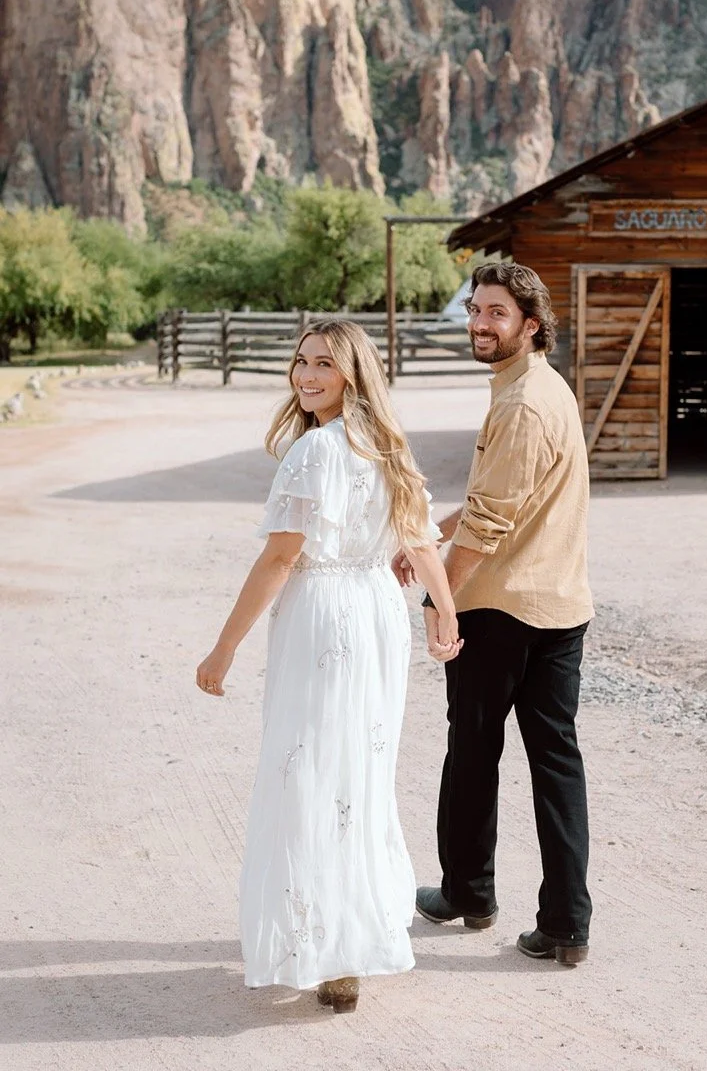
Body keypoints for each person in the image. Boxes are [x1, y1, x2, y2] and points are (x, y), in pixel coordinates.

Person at [196, 320, 461, 1015]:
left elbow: (282, 557)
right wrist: (443, 610)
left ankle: (323, 945)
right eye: (300, 362)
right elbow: (422, 541)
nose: (307, 376)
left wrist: (224, 646)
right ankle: (347, 947)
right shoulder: (387, 447)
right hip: (376, 612)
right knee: (357, 777)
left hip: (324, 612)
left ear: (353, 374)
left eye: (324, 364)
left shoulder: (315, 451)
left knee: (310, 773)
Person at [396, 263, 595, 966]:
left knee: (473, 754)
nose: (480, 323)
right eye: (476, 310)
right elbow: (499, 498)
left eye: (497, 313)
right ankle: (568, 925)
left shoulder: (520, 405)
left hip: (504, 612)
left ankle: (467, 894)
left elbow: (489, 523)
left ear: (530, 324)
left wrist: (437, 599)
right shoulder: (544, 388)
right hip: (561, 604)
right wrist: (432, 537)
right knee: (556, 763)